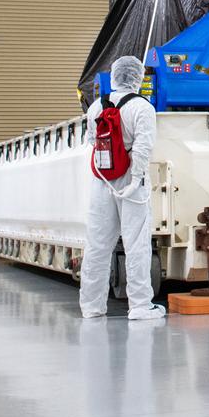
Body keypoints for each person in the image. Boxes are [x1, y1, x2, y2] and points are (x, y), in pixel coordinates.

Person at [79, 55, 164, 321]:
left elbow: (91, 141)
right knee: (136, 243)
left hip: (101, 182)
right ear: (138, 78)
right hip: (130, 182)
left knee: (97, 245)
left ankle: (92, 306)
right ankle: (139, 306)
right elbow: (142, 147)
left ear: (115, 76)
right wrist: (134, 178)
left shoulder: (95, 107)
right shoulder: (142, 107)